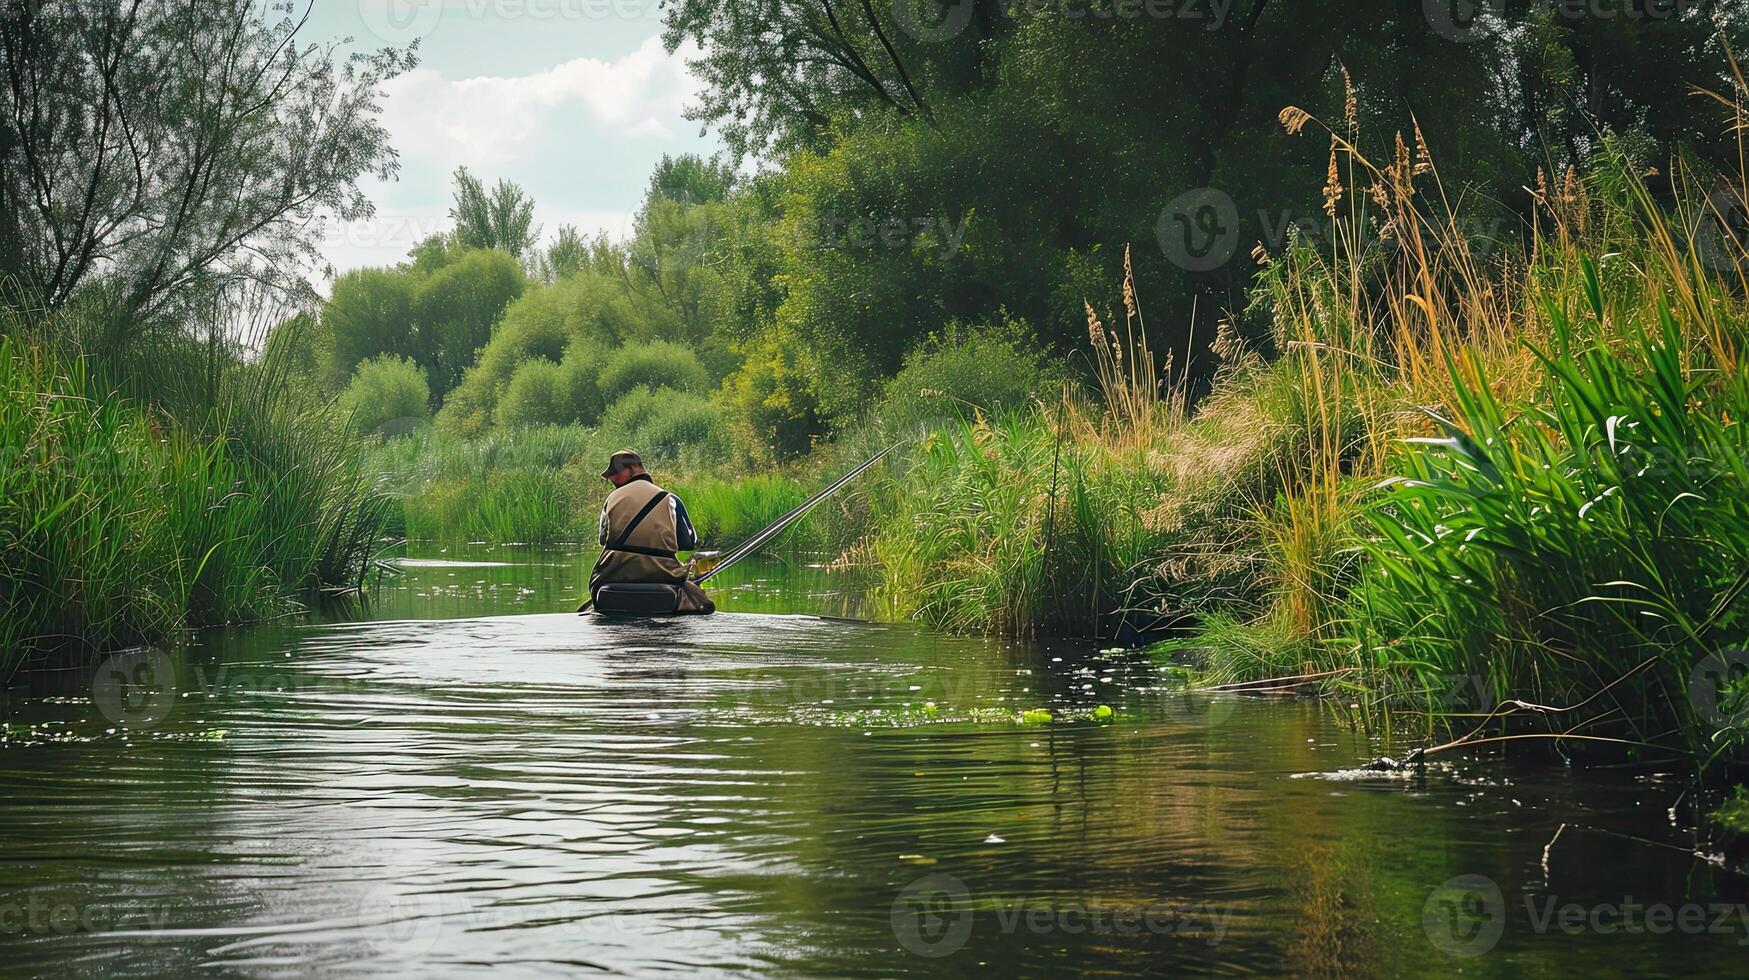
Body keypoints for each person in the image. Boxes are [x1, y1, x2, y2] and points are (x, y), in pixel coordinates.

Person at [588, 449, 715, 614]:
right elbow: (687, 543)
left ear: (633, 467)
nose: (611, 478)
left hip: (614, 574)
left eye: (615, 473)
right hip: (664, 574)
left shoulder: (611, 499)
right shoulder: (671, 499)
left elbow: (603, 540)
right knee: (698, 601)